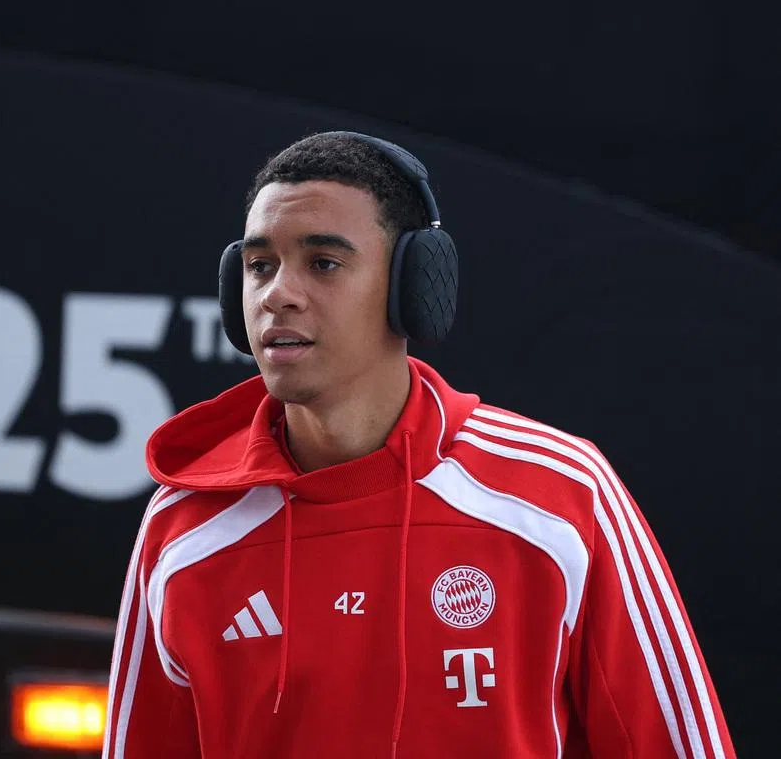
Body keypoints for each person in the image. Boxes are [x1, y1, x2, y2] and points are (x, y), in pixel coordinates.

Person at [101, 131, 736, 758]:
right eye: (259, 266)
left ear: (415, 286)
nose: (276, 295)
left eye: (322, 263)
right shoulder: (183, 532)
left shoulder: (561, 496)